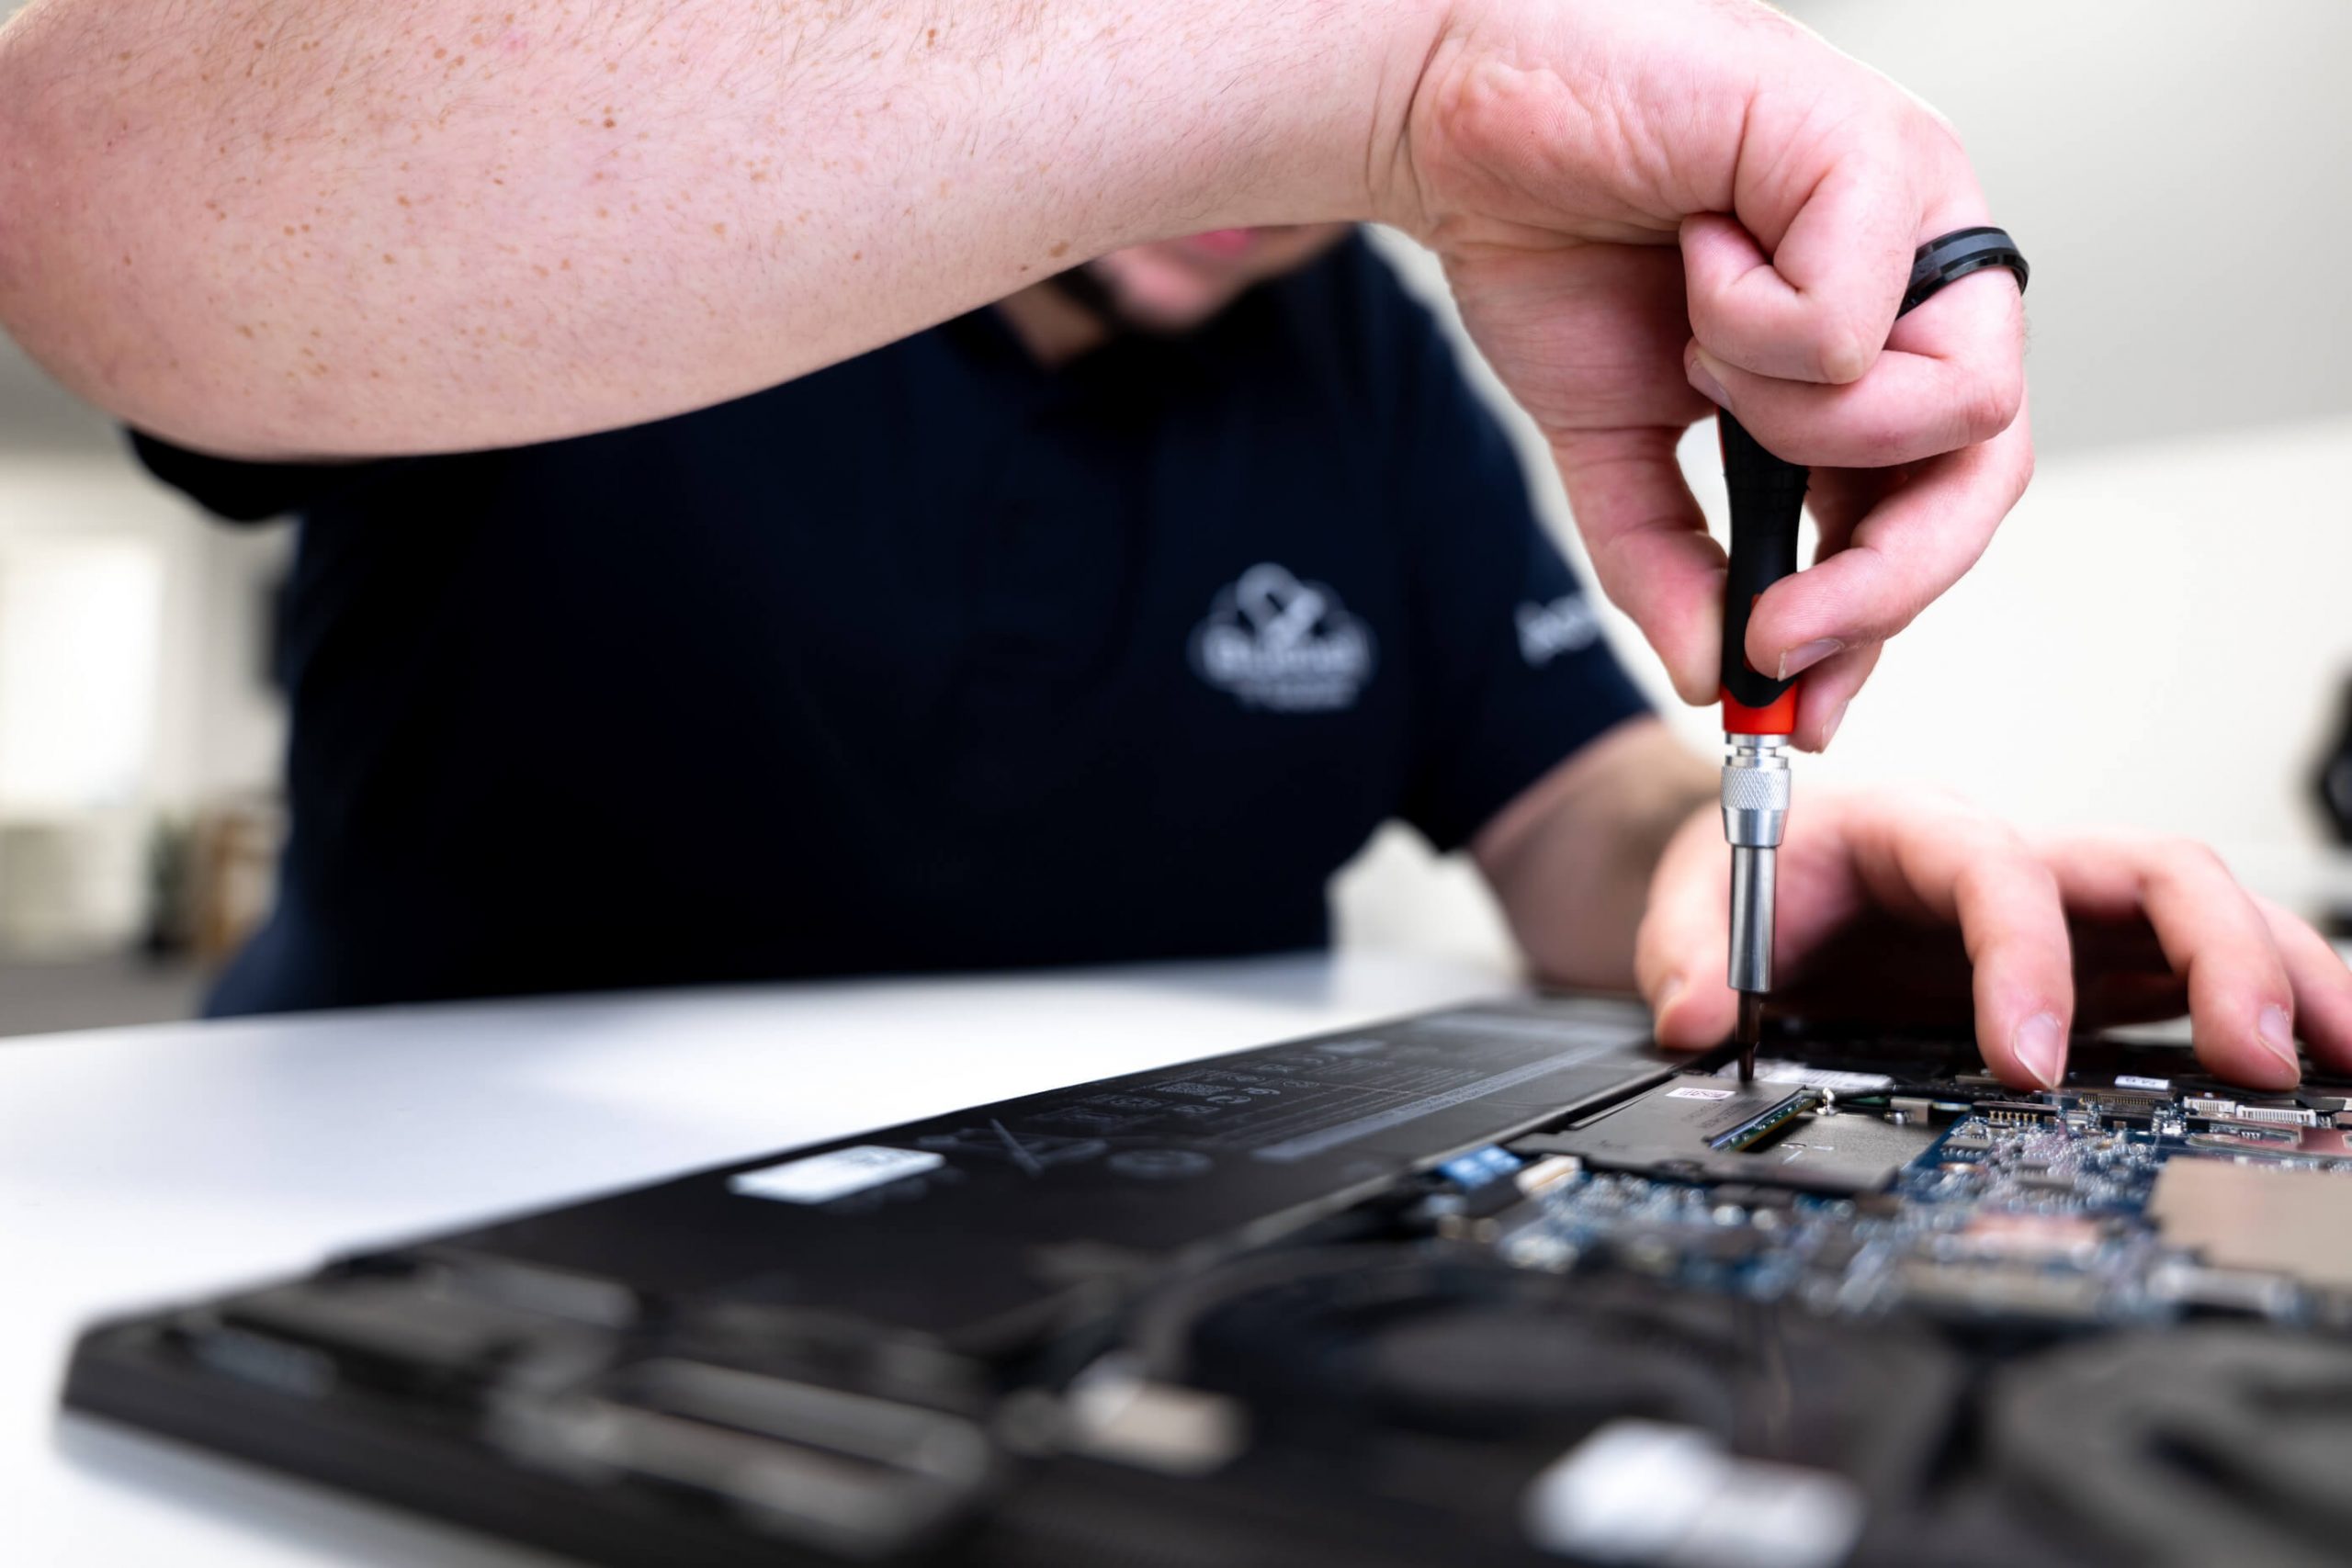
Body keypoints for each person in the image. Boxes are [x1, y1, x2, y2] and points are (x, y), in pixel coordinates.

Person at [0, 0, 2345, 1091]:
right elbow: (77, 185)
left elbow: (1568, 796)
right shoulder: (651, 162)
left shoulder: (1367, 370)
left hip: (1137, 1262)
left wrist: (1773, 844)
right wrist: (1386, 81)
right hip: (374, 1197)